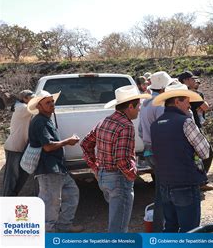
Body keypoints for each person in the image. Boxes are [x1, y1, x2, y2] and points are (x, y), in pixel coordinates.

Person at [81, 85, 151, 232]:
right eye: (138, 106)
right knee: (118, 227)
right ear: (130, 106)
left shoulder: (105, 121)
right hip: (118, 179)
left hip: (104, 176)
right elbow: (121, 160)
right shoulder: (126, 126)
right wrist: (133, 174)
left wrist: (95, 167)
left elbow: (85, 143)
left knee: (116, 221)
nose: (139, 109)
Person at [151, 83, 210, 232]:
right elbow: (205, 152)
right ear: (177, 101)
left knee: (170, 226)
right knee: (190, 230)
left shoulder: (155, 124)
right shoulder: (186, 122)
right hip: (185, 182)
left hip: (164, 183)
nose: (189, 104)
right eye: (187, 100)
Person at [27, 90, 83, 232]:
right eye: (47, 102)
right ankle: (47, 233)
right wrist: (67, 141)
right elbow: (47, 147)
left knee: (71, 194)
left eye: (52, 101)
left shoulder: (46, 120)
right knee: (51, 203)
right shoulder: (40, 121)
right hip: (48, 168)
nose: (52, 104)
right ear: (39, 106)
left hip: (57, 168)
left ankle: (64, 226)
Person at [138, 71, 176, 232]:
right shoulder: (159, 104)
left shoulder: (145, 103)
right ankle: (163, 228)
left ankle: (162, 226)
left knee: (161, 188)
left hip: (149, 148)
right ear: (163, 88)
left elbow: (140, 130)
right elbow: (165, 129)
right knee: (165, 192)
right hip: (160, 150)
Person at [178, 71, 213, 191]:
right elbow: (206, 107)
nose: (194, 81)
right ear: (186, 81)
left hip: (185, 127)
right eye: (192, 79)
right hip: (193, 127)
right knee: (207, 151)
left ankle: (198, 180)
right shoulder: (191, 94)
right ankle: (200, 181)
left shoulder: (180, 94)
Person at [3, 90, 34, 196]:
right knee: (12, 176)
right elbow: (37, 108)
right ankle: (7, 199)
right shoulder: (22, 108)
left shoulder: (22, 107)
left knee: (21, 174)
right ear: (24, 99)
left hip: (20, 146)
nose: (34, 99)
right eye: (31, 97)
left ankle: (12, 196)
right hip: (14, 147)